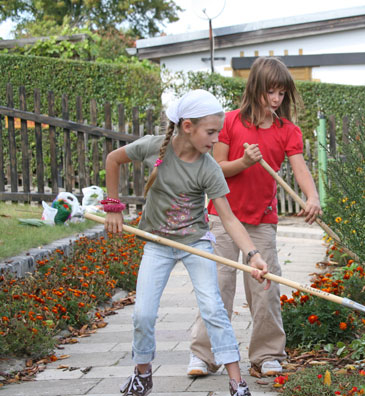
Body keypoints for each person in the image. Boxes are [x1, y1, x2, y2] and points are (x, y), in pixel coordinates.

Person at [103, 89, 270, 396]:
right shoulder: (155, 148)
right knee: (143, 314)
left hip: (196, 242)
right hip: (157, 242)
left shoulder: (208, 168)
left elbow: (229, 219)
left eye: (219, 131)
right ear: (187, 126)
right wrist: (113, 206)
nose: (217, 139)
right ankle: (142, 374)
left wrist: (253, 255)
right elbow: (113, 159)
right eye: (211, 131)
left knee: (213, 307)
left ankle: (237, 383)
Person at [188, 57, 322, 378]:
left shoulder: (287, 130)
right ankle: (205, 356)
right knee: (218, 285)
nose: (275, 99)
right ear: (255, 89)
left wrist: (312, 197)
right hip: (223, 217)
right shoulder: (231, 122)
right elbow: (216, 168)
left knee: (265, 287)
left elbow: (300, 168)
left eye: (281, 93)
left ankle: (266, 354)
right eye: (270, 92)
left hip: (262, 221)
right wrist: (245, 162)